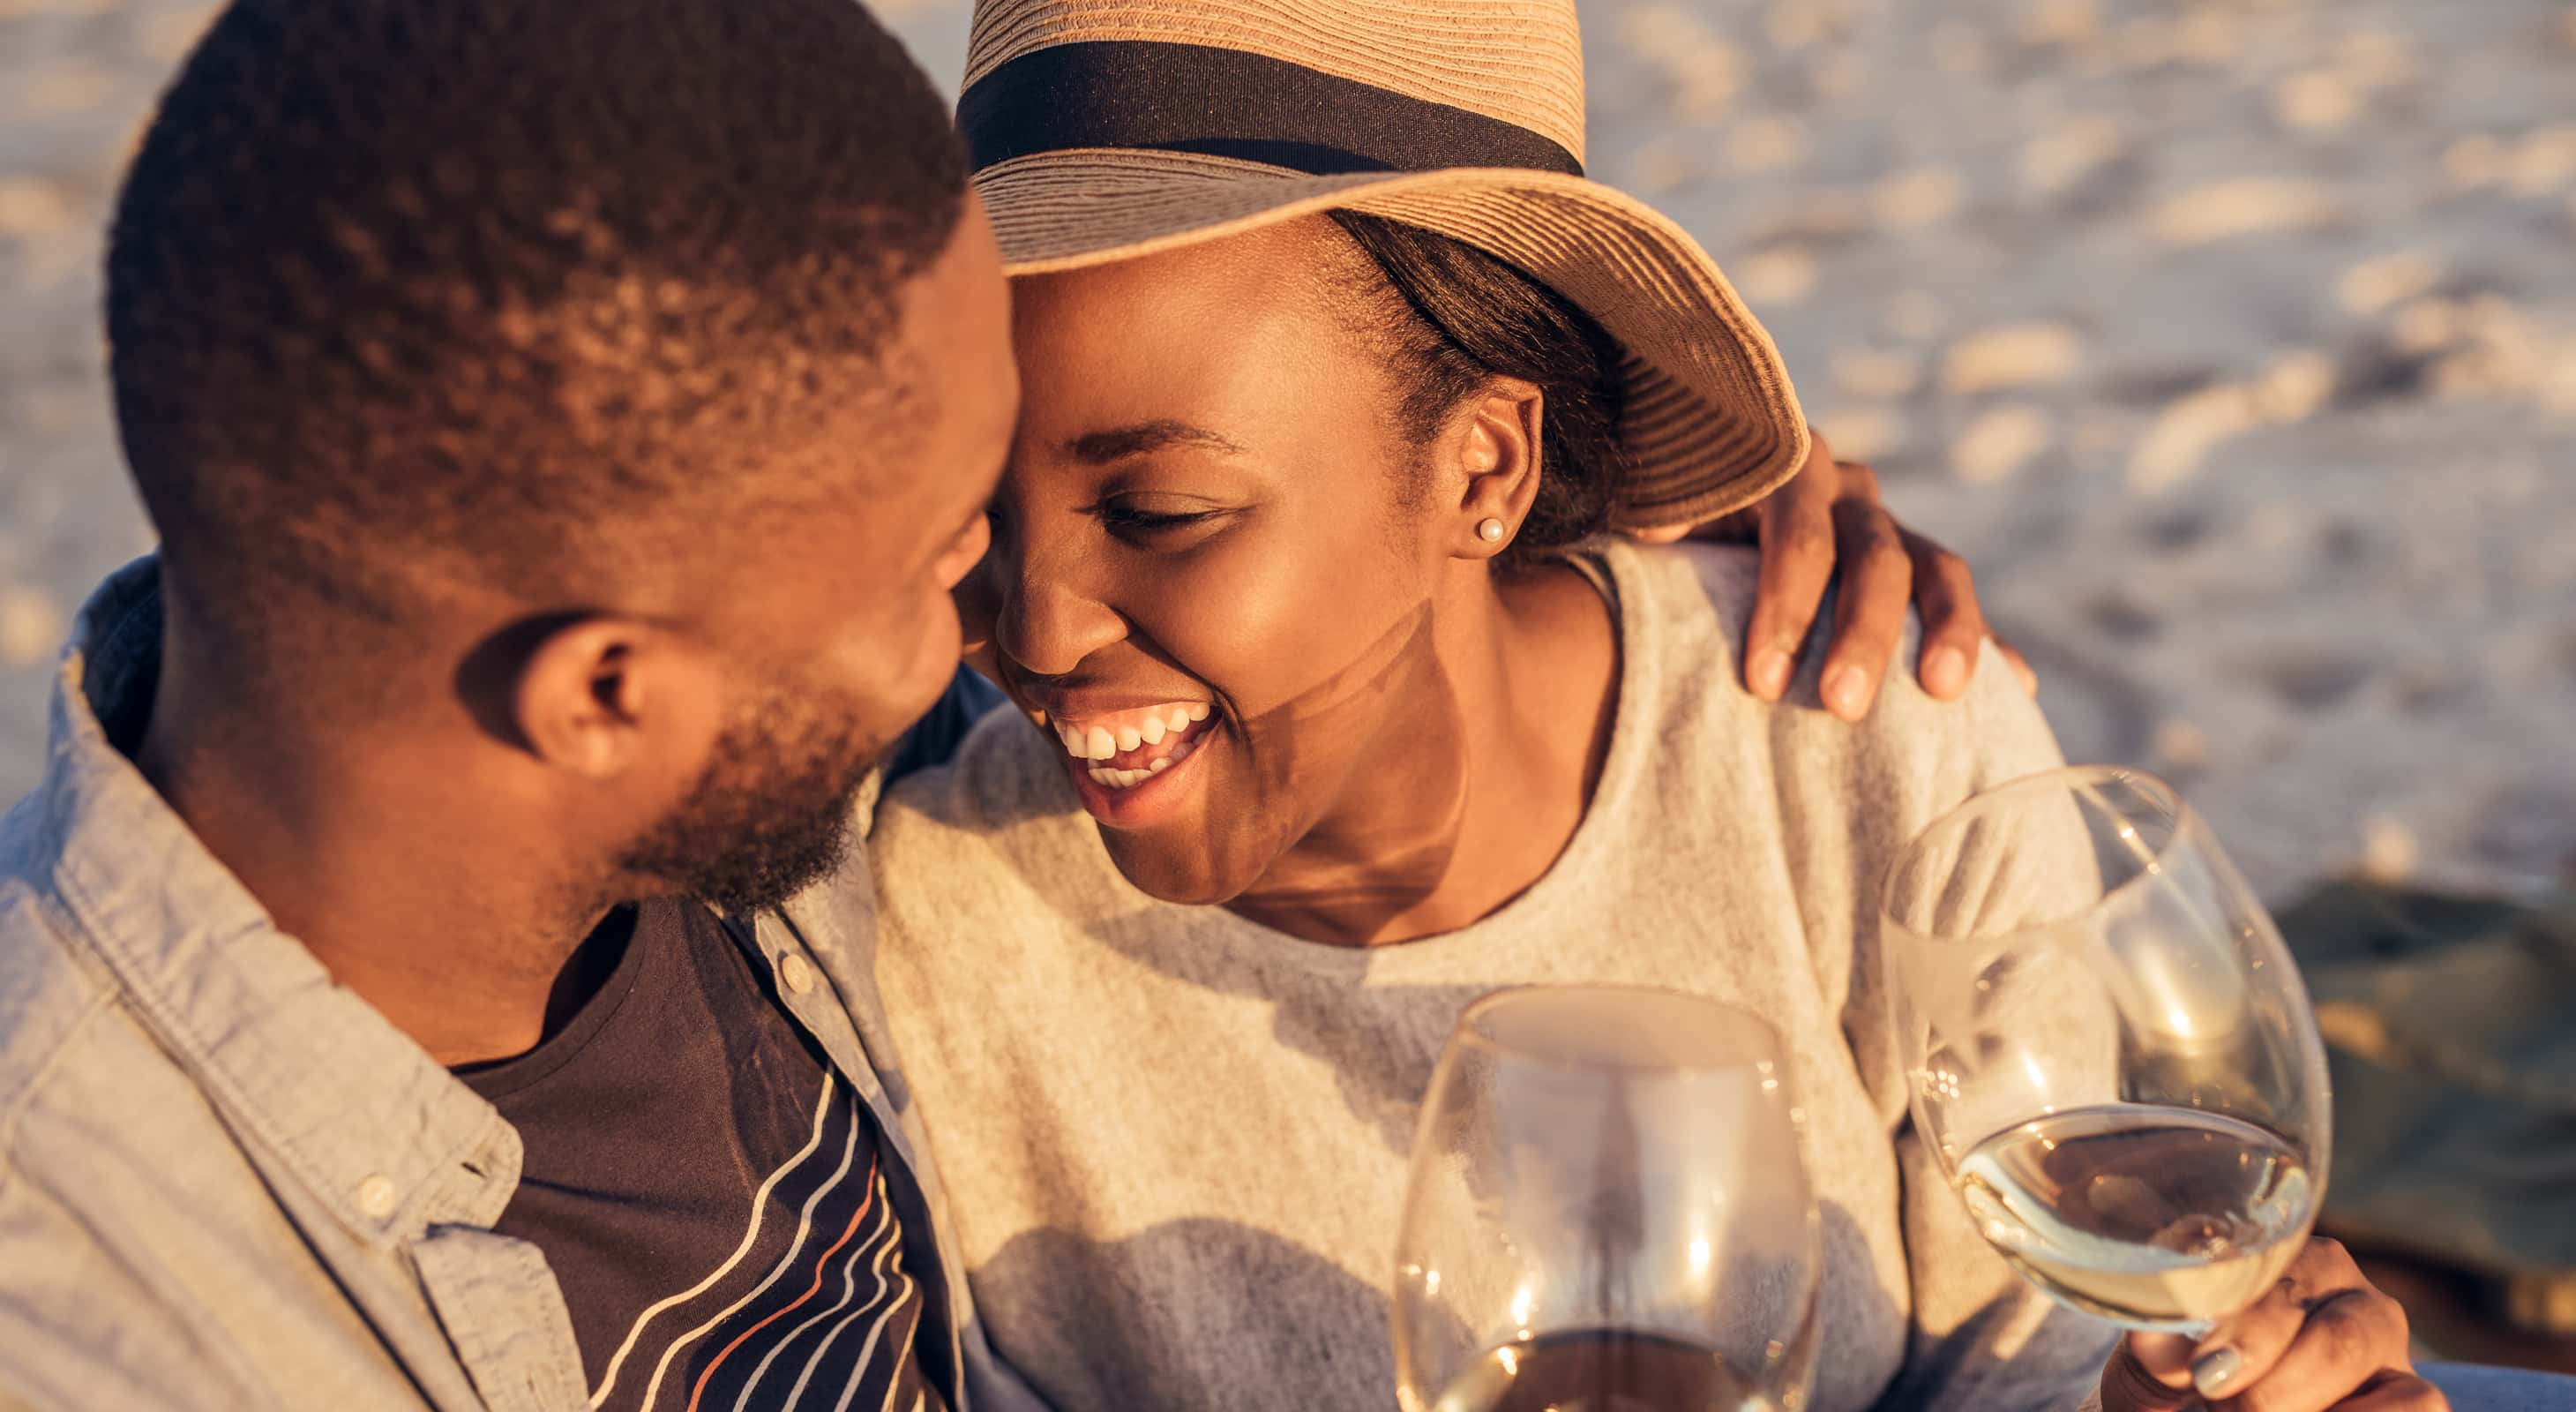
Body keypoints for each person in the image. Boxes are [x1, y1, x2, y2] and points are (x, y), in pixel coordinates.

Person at [0, 0, 1989, 1407]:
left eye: (1122, 504)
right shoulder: (106, 1311)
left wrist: (1630, 492)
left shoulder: (689, 826)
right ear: (609, 689)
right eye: (936, 540)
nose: (1000, 643)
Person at [865, 1, 2448, 1409]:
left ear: (1481, 468)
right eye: (976, 515)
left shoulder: (1856, 749)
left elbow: (2031, 1354)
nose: (1036, 628)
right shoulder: (925, 930)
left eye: (1158, 514)